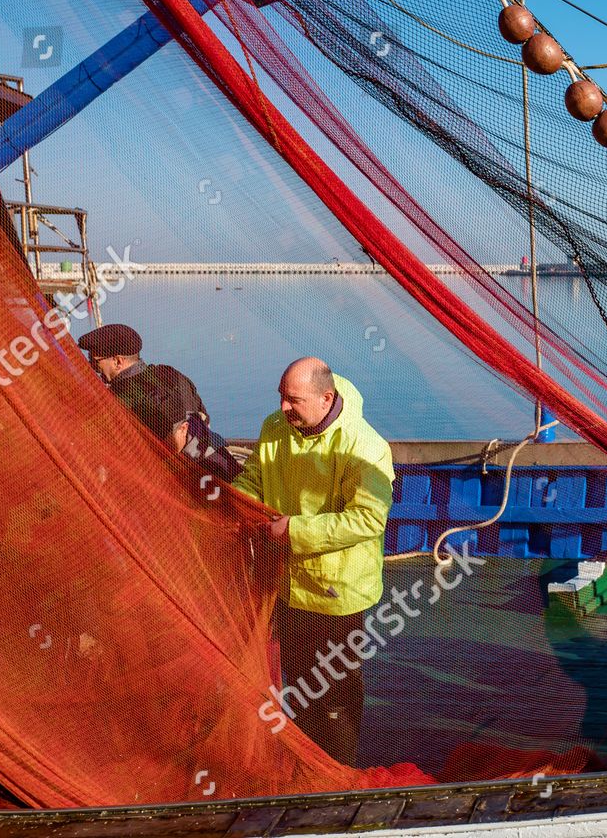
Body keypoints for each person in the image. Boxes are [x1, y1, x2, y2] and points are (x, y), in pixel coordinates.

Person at [233, 357, 393, 764]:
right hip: (288, 586)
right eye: (282, 397)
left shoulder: (365, 446)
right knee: (300, 685)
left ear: (327, 398)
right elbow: (255, 476)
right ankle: (306, 765)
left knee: (335, 693)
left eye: (294, 401)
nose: (284, 408)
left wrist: (293, 531)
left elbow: (369, 519)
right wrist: (235, 500)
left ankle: (338, 770)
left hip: (337, 593)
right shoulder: (276, 427)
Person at [77, 323, 239, 480]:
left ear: (118, 361)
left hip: (189, 483)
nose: (92, 368)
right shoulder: (170, 373)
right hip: (225, 466)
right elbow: (205, 420)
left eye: (95, 362)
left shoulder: (118, 398)